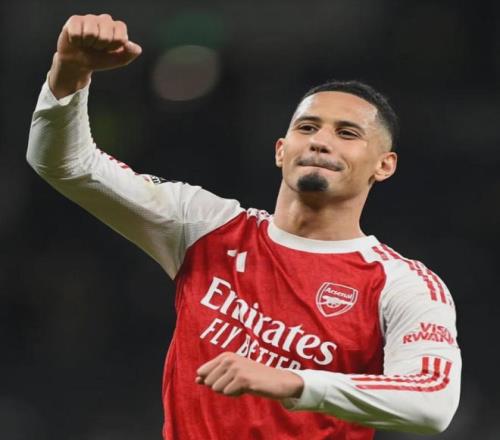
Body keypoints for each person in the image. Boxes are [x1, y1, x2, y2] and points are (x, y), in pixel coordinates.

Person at [27, 14, 461, 440]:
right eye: (307, 127)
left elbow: (432, 403)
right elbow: (67, 166)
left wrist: (295, 382)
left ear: (384, 166)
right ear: (281, 150)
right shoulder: (206, 226)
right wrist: (70, 73)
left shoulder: (401, 284)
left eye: (347, 133)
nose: (320, 141)